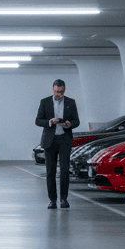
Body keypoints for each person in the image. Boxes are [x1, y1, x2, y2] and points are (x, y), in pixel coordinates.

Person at [35, 79, 79, 209]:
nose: (57, 94)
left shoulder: (71, 102)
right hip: (50, 140)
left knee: (65, 171)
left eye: (60, 92)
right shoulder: (45, 102)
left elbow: (76, 121)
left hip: (64, 140)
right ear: (52, 89)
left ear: (64, 90)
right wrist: (49, 122)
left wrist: (69, 124)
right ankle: (52, 200)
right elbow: (38, 120)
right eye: (55, 91)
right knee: (50, 172)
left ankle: (64, 199)